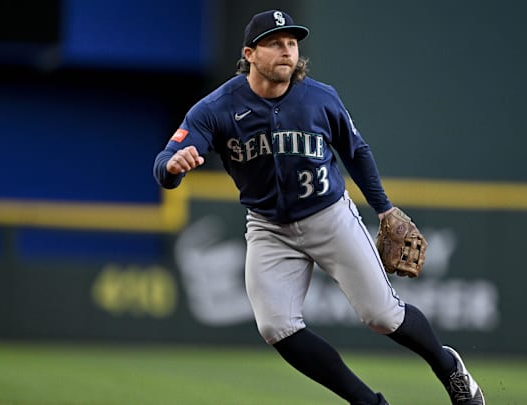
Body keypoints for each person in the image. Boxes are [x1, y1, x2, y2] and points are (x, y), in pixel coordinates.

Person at [153, 9, 485, 405]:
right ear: (249, 53)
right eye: (275, 43)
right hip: (268, 227)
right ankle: (367, 401)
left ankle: (450, 370)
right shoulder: (216, 107)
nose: (287, 51)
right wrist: (172, 169)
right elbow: (166, 161)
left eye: (292, 43)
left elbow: (356, 151)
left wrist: (385, 210)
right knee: (276, 327)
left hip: (329, 217)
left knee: (382, 316)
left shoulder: (320, 98)